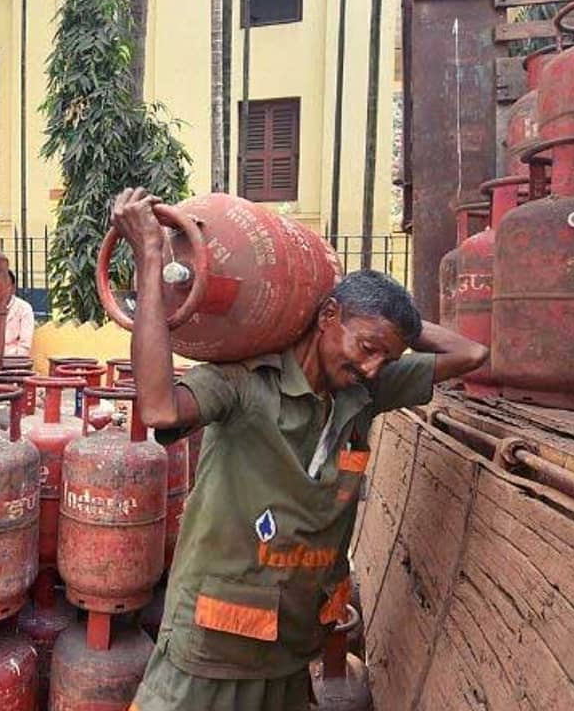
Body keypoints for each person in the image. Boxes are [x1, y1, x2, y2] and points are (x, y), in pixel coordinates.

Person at [111, 187, 488, 711]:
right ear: (328, 316)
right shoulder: (245, 385)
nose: (375, 366)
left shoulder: (364, 391)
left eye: (388, 356)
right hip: (213, 649)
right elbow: (157, 407)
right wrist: (151, 259)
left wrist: (392, 321)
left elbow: (472, 352)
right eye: (367, 347)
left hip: (291, 648)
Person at [3, 270, 35, 357]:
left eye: (5, 285)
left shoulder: (24, 308)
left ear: (13, 288)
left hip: (15, 362)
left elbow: (25, 347)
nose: (1, 289)